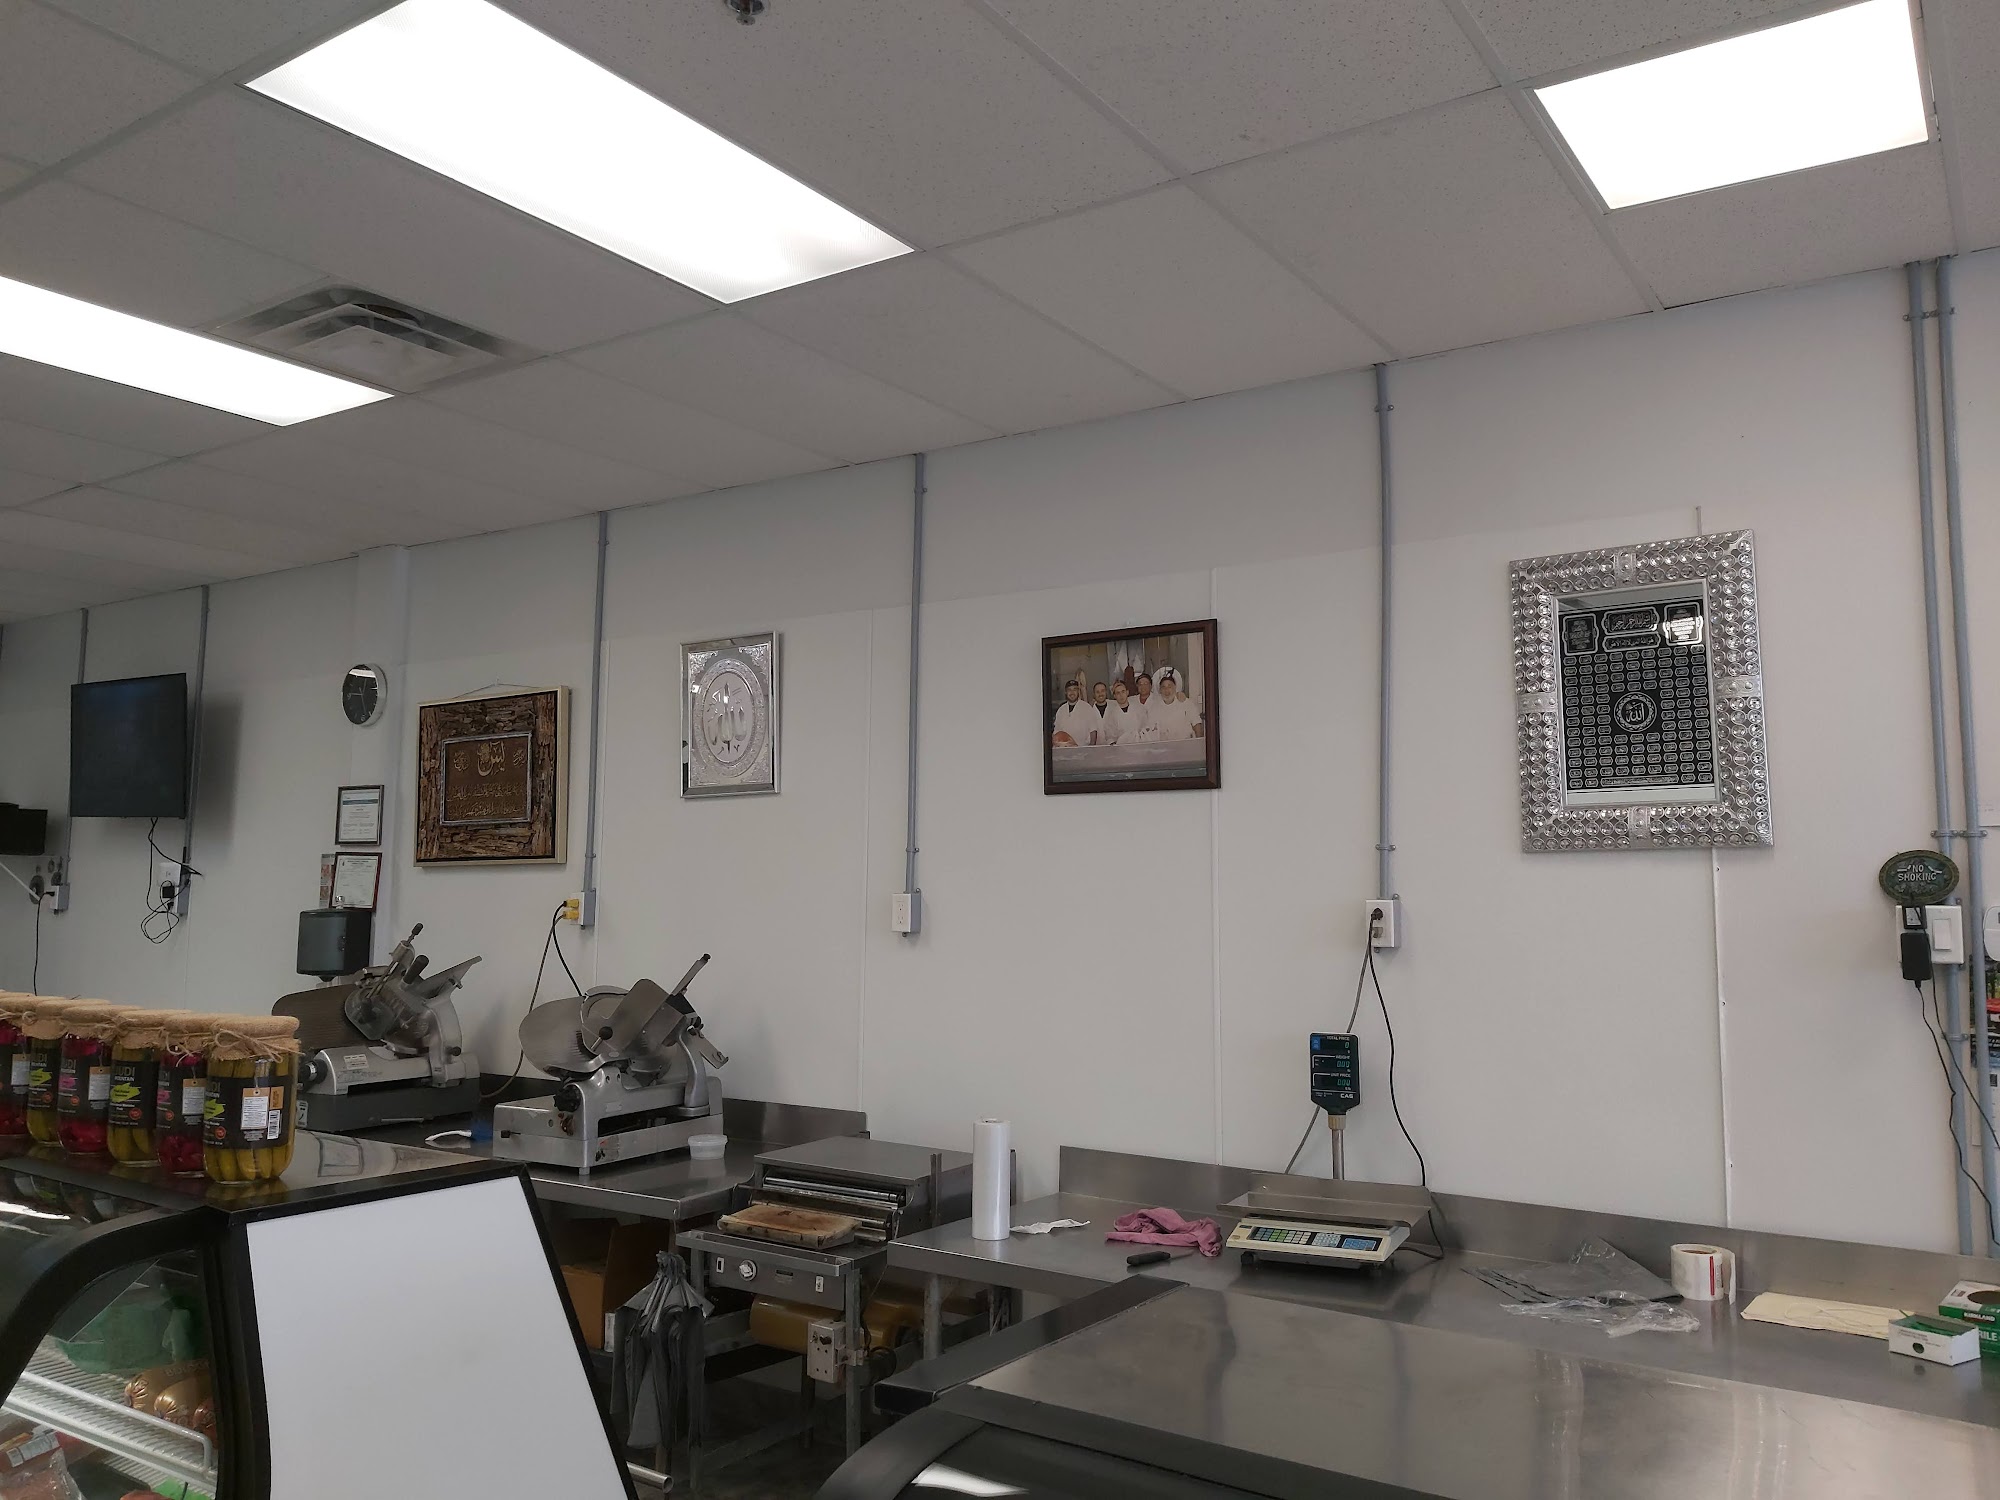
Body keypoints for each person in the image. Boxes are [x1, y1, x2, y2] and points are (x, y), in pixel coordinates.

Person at [1149, 667, 1203, 741]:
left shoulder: (1186, 703)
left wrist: (1199, 743)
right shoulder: (1154, 707)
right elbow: (1151, 730)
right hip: (1163, 746)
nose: (1166, 690)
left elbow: (1197, 724)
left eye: (1169, 686)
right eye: (1163, 687)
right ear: (1160, 690)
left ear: (1175, 687)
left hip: (1185, 744)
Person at [1051, 677, 1097, 747]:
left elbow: (1093, 731)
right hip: (1064, 748)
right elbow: (1056, 732)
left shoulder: (1087, 708)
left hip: (1082, 748)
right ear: (1066, 692)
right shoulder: (1061, 710)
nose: (1072, 692)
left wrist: (1091, 749)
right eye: (1069, 690)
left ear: (1078, 691)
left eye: (1074, 689)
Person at [1100, 679, 1139, 744]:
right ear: (1114, 696)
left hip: (1138, 745)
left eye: (1123, 692)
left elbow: (1145, 728)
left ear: (1127, 692)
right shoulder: (1111, 715)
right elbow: (1109, 736)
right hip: (1121, 747)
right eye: (1118, 693)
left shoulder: (1138, 709)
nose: (1121, 695)